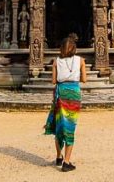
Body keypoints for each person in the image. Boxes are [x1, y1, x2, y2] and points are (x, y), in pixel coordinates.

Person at [44, 35, 87, 172]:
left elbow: (53, 81)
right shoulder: (81, 60)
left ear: (61, 48)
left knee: (59, 124)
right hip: (73, 93)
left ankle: (58, 157)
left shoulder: (56, 61)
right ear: (74, 48)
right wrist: (73, 75)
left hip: (61, 92)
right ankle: (67, 162)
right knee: (70, 125)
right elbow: (84, 79)